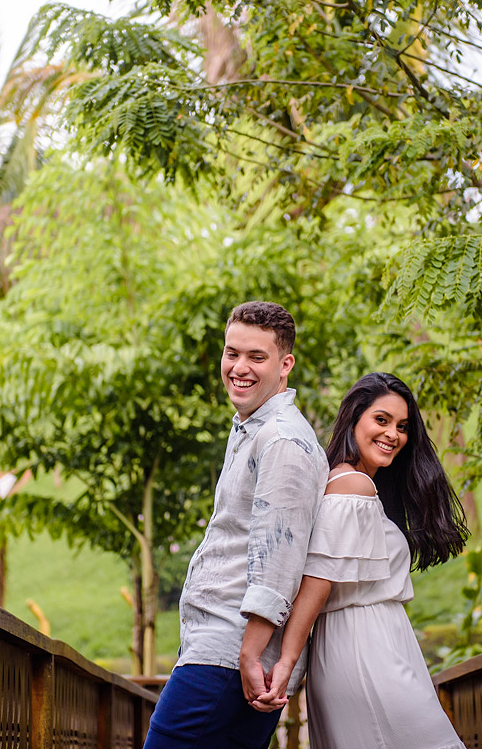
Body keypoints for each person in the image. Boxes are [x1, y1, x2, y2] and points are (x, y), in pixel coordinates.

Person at [144, 301, 329, 749]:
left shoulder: (282, 439)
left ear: (285, 365)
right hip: (223, 649)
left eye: (256, 357)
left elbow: (279, 560)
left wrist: (249, 653)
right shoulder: (252, 428)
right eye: (232, 353)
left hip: (232, 653)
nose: (239, 368)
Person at [261, 372, 471, 749]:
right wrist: (286, 663)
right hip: (364, 649)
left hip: (365, 645)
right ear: (354, 418)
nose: (394, 434)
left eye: (402, 426)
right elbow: (318, 579)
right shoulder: (351, 484)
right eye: (381, 420)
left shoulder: (357, 483)